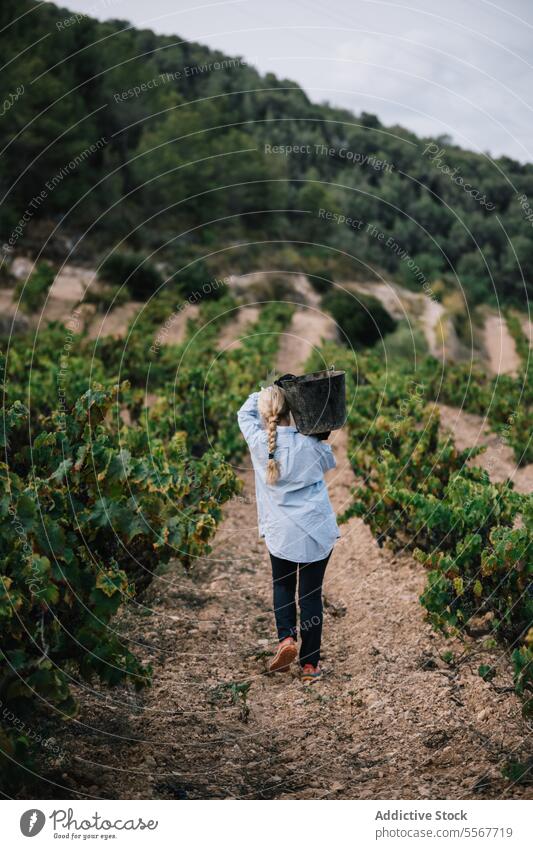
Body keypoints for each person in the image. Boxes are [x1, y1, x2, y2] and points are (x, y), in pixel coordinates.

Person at [237, 381, 339, 683]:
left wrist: (265, 392)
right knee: (310, 595)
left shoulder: (259, 444)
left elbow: (244, 413)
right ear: (291, 411)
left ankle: (286, 640)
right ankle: (310, 666)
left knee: (282, 586)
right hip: (315, 531)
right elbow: (328, 459)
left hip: (281, 532)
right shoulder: (309, 445)